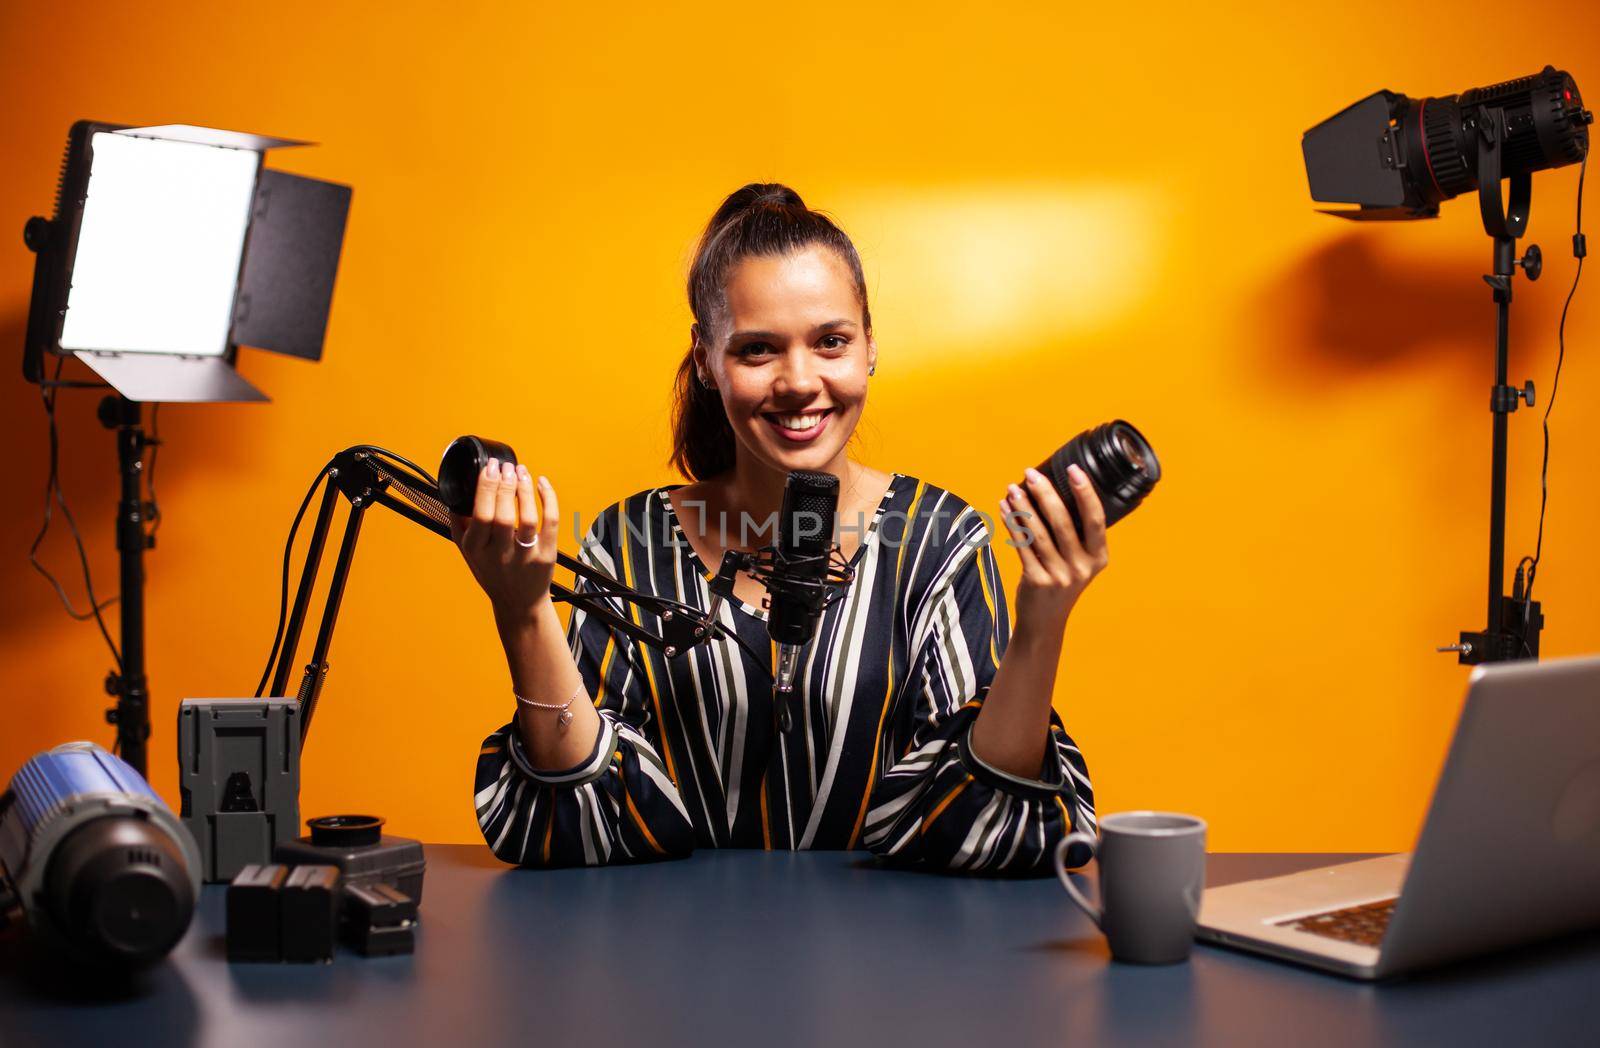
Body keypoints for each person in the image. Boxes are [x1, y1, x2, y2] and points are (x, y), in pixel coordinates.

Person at [455, 183, 1104, 874]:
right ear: (706, 358)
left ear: (870, 347)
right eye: (759, 350)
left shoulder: (940, 541)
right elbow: (580, 826)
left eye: (831, 342)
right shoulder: (625, 544)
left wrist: (1042, 627)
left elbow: (977, 826)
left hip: (890, 964)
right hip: (670, 959)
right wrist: (522, 612)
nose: (800, 380)